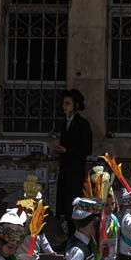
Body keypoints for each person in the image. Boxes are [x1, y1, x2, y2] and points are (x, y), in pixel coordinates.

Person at [52, 89, 93, 236]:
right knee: (65, 206)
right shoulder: (64, 124)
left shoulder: (82, 124)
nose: (64, 106)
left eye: (67, 103)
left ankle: (75, 236)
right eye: (64, 103)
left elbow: (86, 148)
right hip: (65, 169)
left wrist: (67, 151)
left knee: (74, 204)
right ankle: (68, 236)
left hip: (75, 171)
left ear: (75, 105)